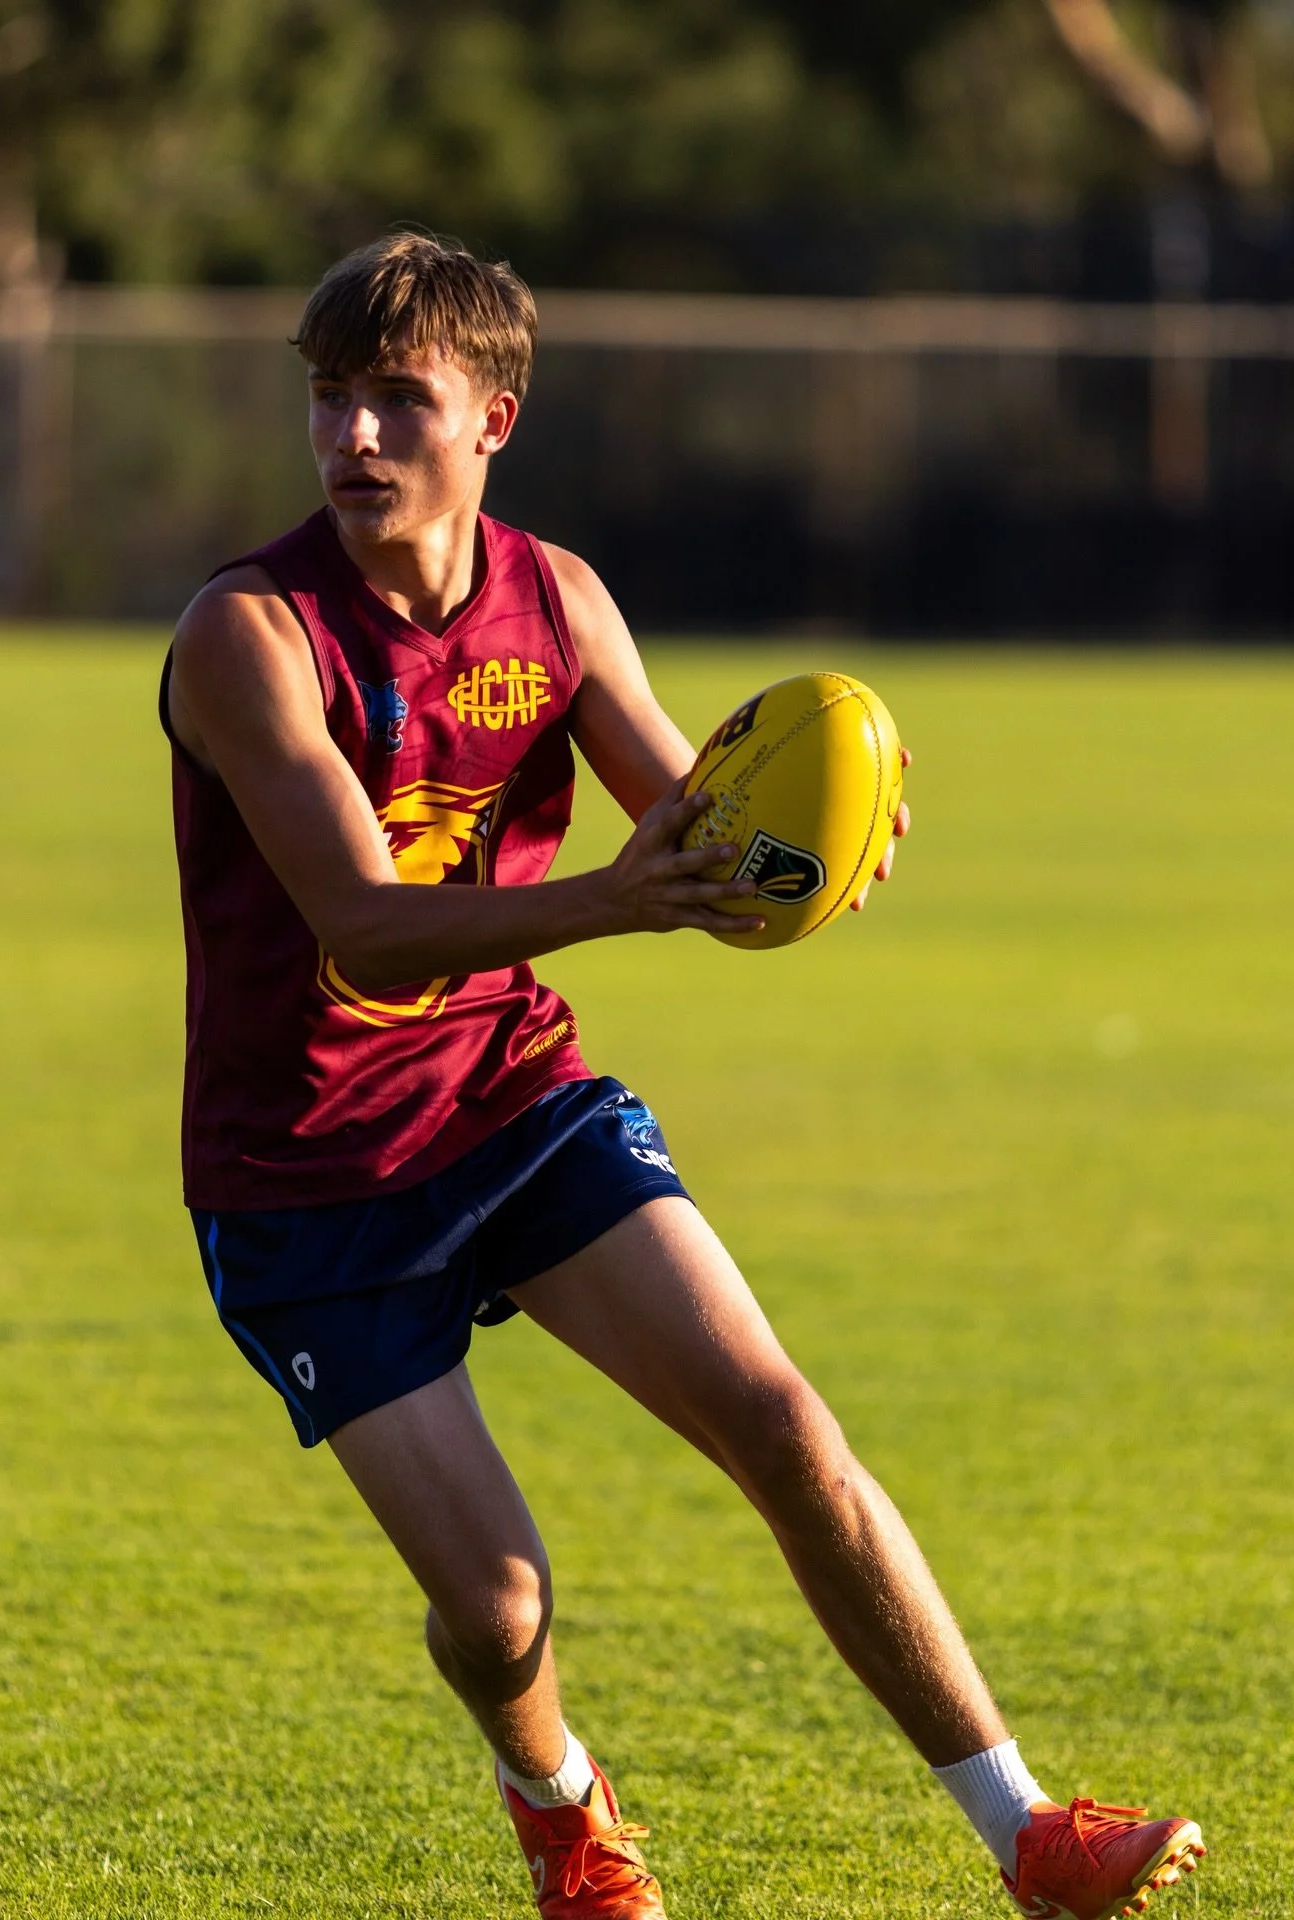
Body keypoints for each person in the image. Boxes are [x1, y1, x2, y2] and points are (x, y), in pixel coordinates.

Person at [160, 231, 1203, 1920]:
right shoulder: (250, 634)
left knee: (784, 1425)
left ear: (493, 418)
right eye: (330, 396)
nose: (353, 435)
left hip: (508, 1098)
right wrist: (620, 898)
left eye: (399, 400)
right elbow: (363, 927)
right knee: (500, 1606)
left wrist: (808, 849)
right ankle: (562, 1811)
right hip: (306, 1173)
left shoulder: (558, 600)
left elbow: (696, 841)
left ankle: (1029, 1834)